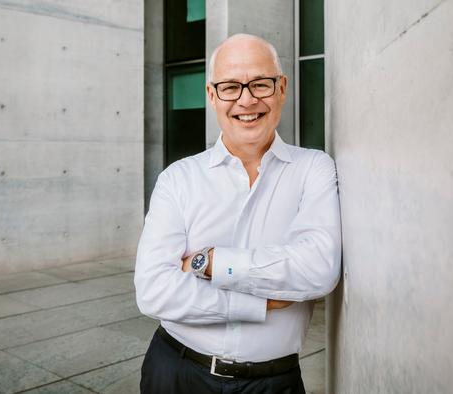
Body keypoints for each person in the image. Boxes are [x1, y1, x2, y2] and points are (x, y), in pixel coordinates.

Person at [135, 33, 341, 393]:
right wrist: (262, 300)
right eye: (230, 87)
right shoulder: (177, 179)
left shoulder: (314, 169)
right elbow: (153, 291)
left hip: (273, 383)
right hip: (176, 372)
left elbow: (319, 269)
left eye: (260, 84)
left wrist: (210, 262)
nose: (247, 100)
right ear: (212, 95)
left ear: (282, 88)